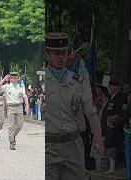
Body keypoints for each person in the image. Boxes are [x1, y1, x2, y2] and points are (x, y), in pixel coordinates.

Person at [45, 32, 103, 179]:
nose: (61, 57)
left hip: (73, 145)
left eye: (63, 53)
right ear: (47, 55)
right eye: (56, 53)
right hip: (48, 146)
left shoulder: (79, 81)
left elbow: (91, 111)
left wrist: (98, 139)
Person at [0, 72, 29, 150]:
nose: (15, 80)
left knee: (20, 125)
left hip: (19, 106)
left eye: (16, 78)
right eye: (13, 78)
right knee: (11, 125)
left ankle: (13, 135)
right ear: (10, 79)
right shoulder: (7, 87)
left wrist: (27, 105)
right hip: (10, 107)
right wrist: (4, 80)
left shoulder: (21, 86)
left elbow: (25, 96)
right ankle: (11, 142)